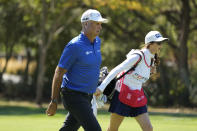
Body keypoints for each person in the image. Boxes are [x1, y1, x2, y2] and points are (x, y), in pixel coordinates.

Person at [46, 9, 108, 131]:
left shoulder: (97, 42)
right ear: (85, 24)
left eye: (100, 24)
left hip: (88, 96)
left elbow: (89, 65)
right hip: (73, 95)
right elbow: (58, 73)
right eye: (96, 23)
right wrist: (54, 100)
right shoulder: (74, 45)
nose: (99, 27)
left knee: (69, 128)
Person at [95, 31, 168, 131]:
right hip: (122, 95)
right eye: (158, 43)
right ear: (150, 44)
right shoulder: (138, 56)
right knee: (113, 129)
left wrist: (150, 73)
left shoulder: (151, 58)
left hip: (137, 96)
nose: (161, 46)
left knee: (148, 128)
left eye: (161, 43)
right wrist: (101, 88)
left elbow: (138, 76)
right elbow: (117, 69)